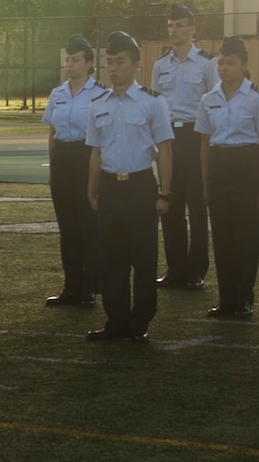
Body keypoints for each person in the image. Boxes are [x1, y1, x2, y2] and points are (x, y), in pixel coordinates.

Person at [83, 31, 173, 343]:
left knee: (144, 258)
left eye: (120, 61)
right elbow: (96, 151)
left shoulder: (152, 103)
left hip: (140, 187)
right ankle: (116, 320)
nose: (113, 68)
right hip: (110, 187)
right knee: (111, 258)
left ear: (136, 65)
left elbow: (165, 150)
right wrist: (92, 189)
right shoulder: (98, 104)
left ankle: (140, 323)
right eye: (109, 62)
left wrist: (164, 192)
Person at [199, 36, 259, 319]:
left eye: (231, 63)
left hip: (247, 164)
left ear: (245, 65)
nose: (224, 68)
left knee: (246, 236)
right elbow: (204, 144)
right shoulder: (208, 99)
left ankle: (244, 298)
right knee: (223, 237)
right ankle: (226, 299)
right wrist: (205, 182)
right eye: (220, 62)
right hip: (218, 165)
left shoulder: (258, 97)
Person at [153, 3, 214, 290]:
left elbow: (214, 103)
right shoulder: (160, 64)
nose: (174, 30)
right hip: (168, 140)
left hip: (195, 137)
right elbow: (155, 105)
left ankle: (196, 270)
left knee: (197, 206)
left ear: (192, 29)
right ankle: (175, 268)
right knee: (170, 204)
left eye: (179, 25)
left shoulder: (206, 63)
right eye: (170, 25)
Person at [42, 35, 102, 308]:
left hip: (86, 156)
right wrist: (53, 165)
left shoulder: (99, 94)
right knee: (67, 228)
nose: (70, 64)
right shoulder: (58, 93)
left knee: (87, 226)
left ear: (89, 64)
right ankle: (71, 286)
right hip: (63, 158)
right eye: (67, 59)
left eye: (76, 60)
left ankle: (88, 287)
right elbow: (53, 133)